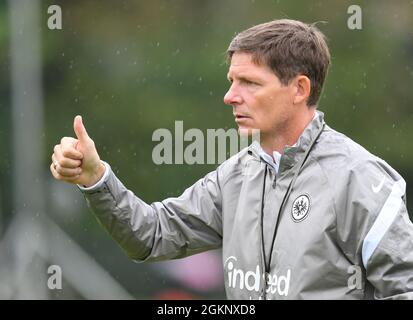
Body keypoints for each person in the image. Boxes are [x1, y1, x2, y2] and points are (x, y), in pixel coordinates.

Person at [50, 19, 413, 299]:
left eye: (250, 83)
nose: (230, 96)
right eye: (231, 80)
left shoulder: (358, 178)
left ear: (299, 89)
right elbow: (151, 235)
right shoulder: (236, 175)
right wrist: (96, 178)